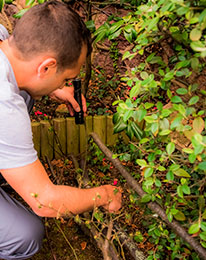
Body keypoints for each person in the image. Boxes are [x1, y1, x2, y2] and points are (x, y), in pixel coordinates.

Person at [0, 1, 122, 259]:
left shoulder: (4, 38)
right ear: (46, 67)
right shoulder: (4, 106)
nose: (66, 84)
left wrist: (54, 87)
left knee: (26, 94)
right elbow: (45, 202)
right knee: (25, 235)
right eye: (66, 78)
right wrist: (103, 195)